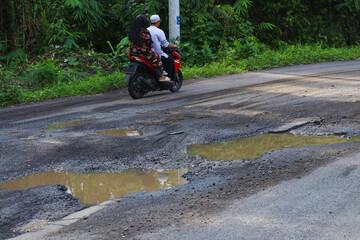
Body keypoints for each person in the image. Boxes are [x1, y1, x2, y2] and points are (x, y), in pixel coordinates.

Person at [128, 14, 171, 82]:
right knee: (157, 58)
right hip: (144, 53)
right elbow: (149, 43)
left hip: (133, 52)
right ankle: (161, 76)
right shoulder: (144, 32)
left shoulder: (133, 32)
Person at [147, 15, 178, 80]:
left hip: (147, 53)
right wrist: (174, 46)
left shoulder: (146, 30)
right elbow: (166, 45)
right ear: (158, 21)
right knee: (170, 61)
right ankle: (168, 79)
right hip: (157, 54)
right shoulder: (159, 31)